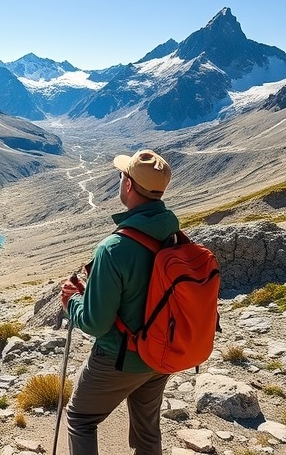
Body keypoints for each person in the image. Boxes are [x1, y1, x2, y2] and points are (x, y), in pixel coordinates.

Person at [61, 149, 178, 455]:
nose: (120, 180)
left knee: (80, 419)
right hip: (162, 354)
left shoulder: (114, 249)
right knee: (146, 430)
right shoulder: (173, 233)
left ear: (128, 185)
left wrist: (73, 301)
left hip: (121, 357)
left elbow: (96, 323)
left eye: (122, 175)